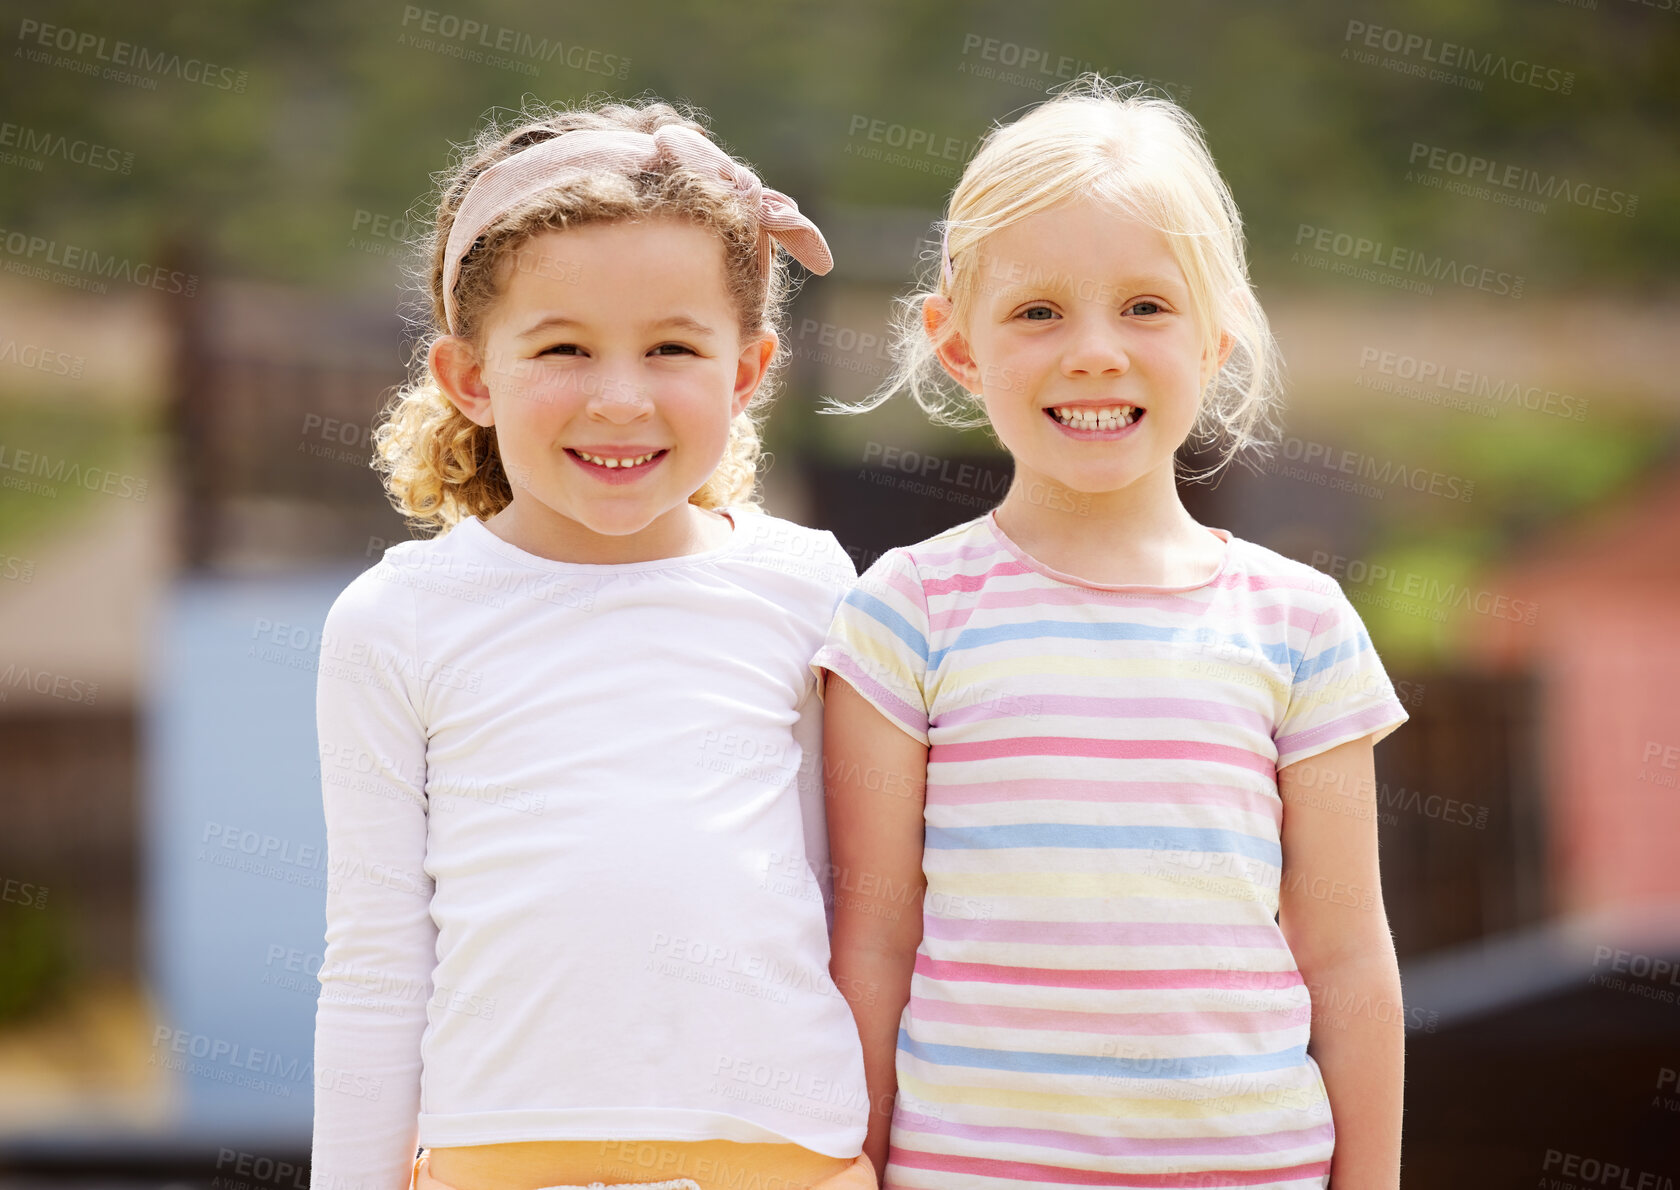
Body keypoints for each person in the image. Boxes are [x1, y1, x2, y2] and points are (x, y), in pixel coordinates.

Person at [814, 76, 1409, 1189]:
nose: (1094, 350)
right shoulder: (905, 613)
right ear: (958, 346)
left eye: (1145, 306)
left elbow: (1347, 953)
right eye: (1038, 311)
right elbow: (875, 942)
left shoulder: (1301, 623)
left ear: (1218, 335)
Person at [310, 96, 876, 1190]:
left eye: (672, 346)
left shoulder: (809, 589)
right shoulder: (397, 621)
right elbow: (376, 967)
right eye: (563, 347)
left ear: (748, 371)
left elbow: (852, 901)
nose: (620, 398)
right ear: (470, 377)